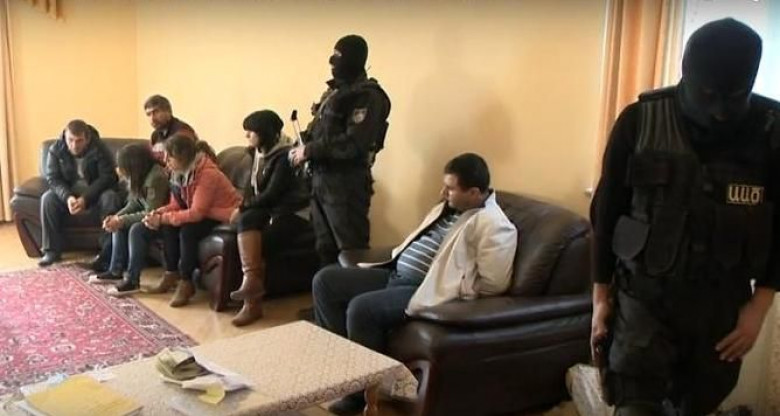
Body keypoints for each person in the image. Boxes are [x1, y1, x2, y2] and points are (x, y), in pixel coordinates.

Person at [590, 18, 779, 416]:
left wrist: (759, 309)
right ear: (686, 72)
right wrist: (600, 299)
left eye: (735, 96)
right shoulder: (638, 121)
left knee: (697, 404)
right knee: (635, 404)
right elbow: (606, 215)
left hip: (719, 308)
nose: (721, 112)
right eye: (708, 94)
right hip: (643, 300)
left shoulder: (771, 131)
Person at [312, 153, 517, 415]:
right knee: (325, 281)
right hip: (394, 274)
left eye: (450, 188)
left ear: (474, 192)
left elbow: (495, 284)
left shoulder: (494, 225)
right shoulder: (449, 208)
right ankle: (345, 366)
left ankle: (360, 394)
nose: (443, 192)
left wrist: (457, 287)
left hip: (422, 289)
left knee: (362, 308)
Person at [290, 34, 391, 266]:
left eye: (339, 57)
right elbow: (322, 133)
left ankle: (352, 292)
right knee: (324, 248)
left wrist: (309, 150)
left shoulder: (367, 96)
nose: (332, 62)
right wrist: (301, 145)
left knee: (351, 252)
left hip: (346, 185)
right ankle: (327, 291)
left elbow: (354, 143)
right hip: (321, 181)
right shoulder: (334, 93)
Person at [227, 110, 312, 326]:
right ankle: (250, 282)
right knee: (246, 220)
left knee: (261, 244)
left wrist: (243, 207)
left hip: (293, 212)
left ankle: (252, 305)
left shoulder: (284, 157)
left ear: (264, 133)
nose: (247, 136)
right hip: (272, 209)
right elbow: (253, 190)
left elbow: (272, 194)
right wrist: (243, 208)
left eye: (251, 132)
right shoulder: (258, 153)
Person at [143, 134, 241, 307]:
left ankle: (186, 282)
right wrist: (157, 213)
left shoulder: (207, 174)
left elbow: (196, 213)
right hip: (204, 213)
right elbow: (176, 204)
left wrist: (163, 219)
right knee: (168, 227)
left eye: (170, 157)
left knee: (188, 229)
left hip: (223, 215)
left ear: (182, 157)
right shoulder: (178, 173)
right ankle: (171, 273)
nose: (166, 161)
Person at [88, 144, 169, 297]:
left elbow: (151, 212)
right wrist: (117, 217)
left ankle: (132, 280)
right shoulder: (137, 175)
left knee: (135, 229)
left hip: (161, 220)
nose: (119, 169)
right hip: (149, 217)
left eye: (122, 166)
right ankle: (115, 271)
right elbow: (134, 203)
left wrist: (122, 220)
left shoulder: (156, 178)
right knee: (119, 224)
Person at [39, 119, 121, 267]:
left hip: (96, 193)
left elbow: (107, 177)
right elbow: (53, 179)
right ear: (65, 136)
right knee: (47, 199)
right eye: (70, 140)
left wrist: (85, 198)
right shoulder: (55, 150)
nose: (74, 145)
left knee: (111, 197)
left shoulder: (99, 148)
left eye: (79, 141)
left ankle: (107, 252)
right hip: (69, 193)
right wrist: (68, 197)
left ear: (87, 139)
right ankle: (51, 251)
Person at [144, 94, 198, 162]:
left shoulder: (183, 131)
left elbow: (182, 162)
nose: (152, 119)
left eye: (156, 112)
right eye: (148, 114)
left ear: (168, 111)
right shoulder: (155, 136)